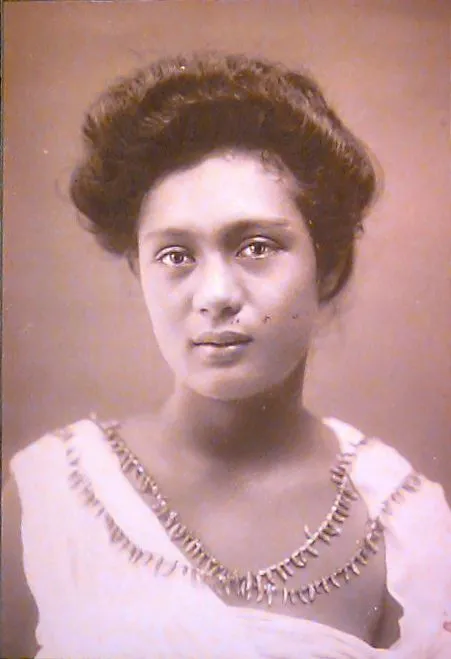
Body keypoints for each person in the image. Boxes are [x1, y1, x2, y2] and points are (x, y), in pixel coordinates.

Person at [2, 52, 450, 659]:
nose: (215, 296)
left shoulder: (406, 523)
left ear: (328, 265)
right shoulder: (47, 501)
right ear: (141, 271)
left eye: (256, 246)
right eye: (176, 256)